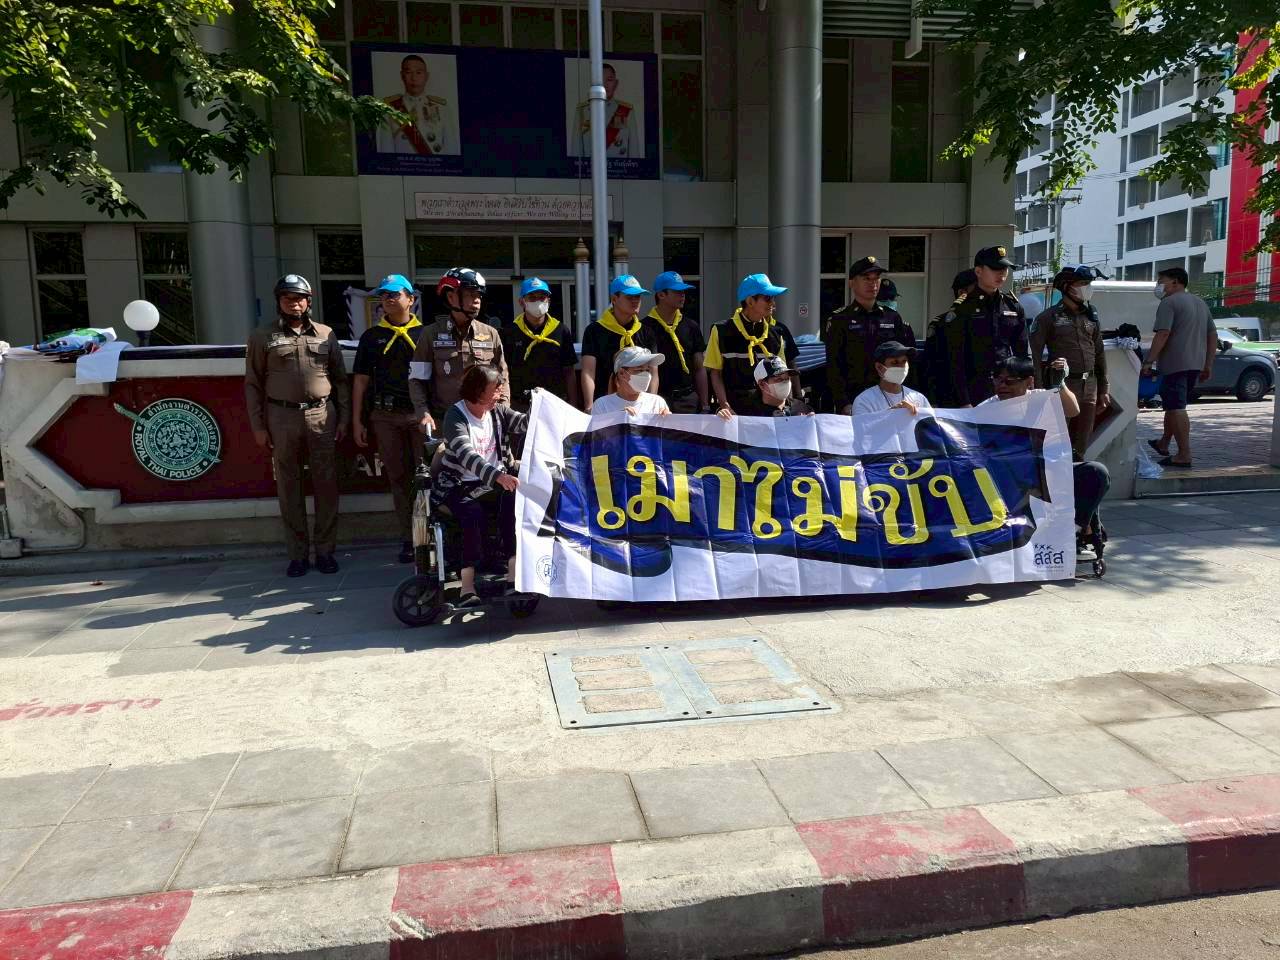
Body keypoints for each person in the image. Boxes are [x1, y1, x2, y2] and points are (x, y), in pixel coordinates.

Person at [244, 274, 349, 578]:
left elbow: (340, 380)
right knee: (289, 487)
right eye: (288, 298)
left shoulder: (326, 334)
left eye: (300, 298)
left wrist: (343, 418)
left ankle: (326, 551)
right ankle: (298, 555)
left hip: (322, 416)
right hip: (281, 417)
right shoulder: (262, 336)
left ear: (309, 301)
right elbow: (253, 384)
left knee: (326, 485)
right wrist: (258, 427)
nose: (295, 304)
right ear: (279, 301)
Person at [983, 356, 1109, 562]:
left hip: (1052, 470)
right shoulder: (987, 408)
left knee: (1096, 472)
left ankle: (1072, 531)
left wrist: (1060, 384)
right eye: (997, 379)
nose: (1001, 386)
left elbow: (1073, 410)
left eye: (1009, 381)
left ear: (1029, 382)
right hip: (1013, 478)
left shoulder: (1041, 398)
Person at [433, 365, 527, 607]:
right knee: (471, 514)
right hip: (460, 483)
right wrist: (497, 476)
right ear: (478, 391)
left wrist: (541, 407)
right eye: (495, 389)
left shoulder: (498, 411)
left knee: (514, 504)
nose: (500, 393)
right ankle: (467, 586)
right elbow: (467, 455)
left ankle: (513, 576)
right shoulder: (456, 416)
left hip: (494, 482)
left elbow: (524, 424)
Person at [351, 274, 427, 565]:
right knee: (398, 478)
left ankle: (428, 537)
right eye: (384, 295)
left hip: (418, 415)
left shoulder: (425, 334)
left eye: (395, 294)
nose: (388, 299)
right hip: (385, 416)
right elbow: (360, 381)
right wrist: (357, 420)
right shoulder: (371, 337)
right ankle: (409, 538)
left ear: (411, 299)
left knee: (426, 477)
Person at [409, 267, 509, 431]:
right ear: (451, 297)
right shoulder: (430, 334)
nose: (477, 300)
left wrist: (503, 411)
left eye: (479, 295)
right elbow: (417, 380)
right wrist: (423, 413)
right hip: (444, 423)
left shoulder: (490, 334)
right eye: (470, 294)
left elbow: (502, 377)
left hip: (484, 424)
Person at [1031, 265, 1109, 459]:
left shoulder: (1091, 315)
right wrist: (1038, 391)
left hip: (1089, 386)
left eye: (1089, 283)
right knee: (1057, 441)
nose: (1087, 287)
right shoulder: (1048, 317)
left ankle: (1078, 472)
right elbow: (1034, 355)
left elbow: (1099, 353)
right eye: (1083, 283)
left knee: (1082, 443)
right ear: (1067, 286)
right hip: (1062, 386)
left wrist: (1104, 388)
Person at [1143, 266, 1217, 468]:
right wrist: (1208, 364)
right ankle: (1164, 443)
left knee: (1176, 408)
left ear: (1175, 282)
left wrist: (1149, 361)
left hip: (1174, 364)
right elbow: (1212, 335)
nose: (1159, 286)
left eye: (1161, 281)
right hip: (1195, 364)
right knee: (1172, 405)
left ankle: (1184, 454)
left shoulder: (1169, 302)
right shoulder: (1200, 303)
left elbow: (1163, 333)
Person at [825, 256, 917, 415]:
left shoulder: (892, 317)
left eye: (876, 278)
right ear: (852, 283)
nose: (873, 283)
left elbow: (906, 360)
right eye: (866, 278)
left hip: (889, 397)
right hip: (854, 398)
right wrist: (843, 403)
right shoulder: (840, 319)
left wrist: (908, 395)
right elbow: (834, 366)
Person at [944, 246, 1030, 407]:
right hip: (975, 390)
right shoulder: (962, 308)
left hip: (1008, 389)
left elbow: (1022, 353)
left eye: (1005, 269)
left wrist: (1025, 388)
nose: (1001, 273)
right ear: (978, 271)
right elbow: (955, 360)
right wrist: (964, 401)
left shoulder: (1012, 306)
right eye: (995, 268)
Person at [705, 274, 801, 416]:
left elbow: (783, 375)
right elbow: (715, 373)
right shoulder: (721, 330)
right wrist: (725, 405)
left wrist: (789, 408)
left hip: (769, 413)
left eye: (773, 298)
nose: (773, 303)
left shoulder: (777, 332)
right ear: (750, 301)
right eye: (767, 298)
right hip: (734, 413)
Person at [580, 274, 661, 412]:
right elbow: (588, 372)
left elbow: (653, 373)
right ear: (614, 299)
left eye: (638, 297)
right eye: (630, 297)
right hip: (605, 406)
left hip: (639, 406)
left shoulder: (647, 331)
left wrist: (650, 405)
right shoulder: (594, 330)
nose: (635, 301)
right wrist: (589, 406)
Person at [501, 277, 579, 411]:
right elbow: (503, 372)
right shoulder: (510, 332)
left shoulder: (561, 330)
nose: (538, 301)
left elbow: (569, 371)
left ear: (548, 301)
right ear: (521, 302)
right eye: (532, 298)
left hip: (555, 404)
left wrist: (573, 405)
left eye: (542, 297)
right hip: (520, 405)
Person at [644, 271, 708, 413]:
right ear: (661, 295)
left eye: (683, 291)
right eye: (677, 292)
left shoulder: (691, 326)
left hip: (688, 399)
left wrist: (705, 405)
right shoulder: (644, 328)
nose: (683, 295)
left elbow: (699, 367)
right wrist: (649, 404)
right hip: (658, 400)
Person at [377, 55, 457, 156]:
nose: (414, 78)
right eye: (408, 72)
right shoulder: (389, 109)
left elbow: (451, 149)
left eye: (418, 73)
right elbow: (386, 151)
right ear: (402, 75)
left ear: (426, 76)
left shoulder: (441, 108)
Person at [922, 269, 976, 404]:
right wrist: (932, 402)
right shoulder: (941, 324)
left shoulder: (987, 322)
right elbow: (930, 367)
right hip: (950, 399)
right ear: (962, 293)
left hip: (984, 396)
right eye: (978, 289)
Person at [852, 341, 933, 417]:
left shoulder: (919, 398)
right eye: (895, 362)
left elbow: (931, 425)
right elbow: (862, 427)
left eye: (904, 361)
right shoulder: (864, 401)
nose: (901, 366)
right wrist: (890, 417)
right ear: (879, 367)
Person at [575, 63, 639, 158]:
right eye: (600, 81)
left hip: (620, 166)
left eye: (609, 80)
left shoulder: (627, 111)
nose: (605, 85)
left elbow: (634, 151)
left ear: (616, 83)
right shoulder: (582, 111)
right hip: (591, 167)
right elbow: (576, 151)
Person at [590, 346, 674, 418]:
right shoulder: (602, 405)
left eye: (647, 370)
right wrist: (618, 420)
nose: (646, 375)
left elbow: (665, 432)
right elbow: (597, 432)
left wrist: (668, 421)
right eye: (639, 370)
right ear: (622, 373)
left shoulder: (657, 402)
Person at [719, 356, 812, 419]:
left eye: (787, 379)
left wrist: (813, 422)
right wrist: (722, 416)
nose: (784, 382)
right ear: (762, 384)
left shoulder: (802, 408)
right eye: (778, 379)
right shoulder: (744, 411)